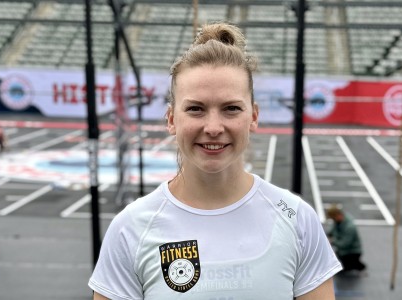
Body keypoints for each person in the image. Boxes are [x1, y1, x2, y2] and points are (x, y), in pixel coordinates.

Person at [89, 22, 342, 299]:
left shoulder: (297, 219)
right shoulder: (130, 229)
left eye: (231, 108)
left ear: (253, 116)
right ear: (172, 119)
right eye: (196, 109)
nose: (213, 127)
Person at [326, 206, 367, 275]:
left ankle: (358, 265)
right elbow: (331, 231)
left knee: (346, 268)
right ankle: (352, 263)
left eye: (333, 218)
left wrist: (332, 241)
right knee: (342, 265)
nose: (333, 220)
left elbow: (344, 244)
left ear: (337, 215)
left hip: (352, 251)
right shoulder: (337, 221)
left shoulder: (350, 227)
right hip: (344, 250)